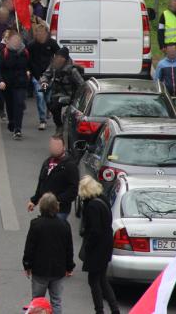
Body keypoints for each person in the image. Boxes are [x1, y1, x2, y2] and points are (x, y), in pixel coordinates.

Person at [22, 193, 74, 314]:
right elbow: (69, 248)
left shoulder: (36, 224)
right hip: (58, 270)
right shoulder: (64, 225)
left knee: (37, 301)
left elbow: (30, 247)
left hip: (40, 270)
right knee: (56, 300)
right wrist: (69, 266)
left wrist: (27, 264)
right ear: (56, 207)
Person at [79, 176, 120, 314]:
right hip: (106, 244)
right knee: (102, 279)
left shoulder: (92, 206)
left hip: (98, 247)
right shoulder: (103, 199)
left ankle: (99, 310)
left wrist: (88, 246)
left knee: (94, 280)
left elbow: (95, 230)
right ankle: (114, 309)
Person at [28, 134, 79, 221]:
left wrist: (56, 200)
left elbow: (73, 190)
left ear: (64, 147)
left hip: (60, 211)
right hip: (45, 209)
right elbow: (41, 183)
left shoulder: (70, 165)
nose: (54, 148)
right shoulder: (47, 162)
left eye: (57, 146)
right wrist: (34, 201)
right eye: (52, 145)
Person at [0, 30, 30, 140]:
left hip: (20, 83)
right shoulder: (4, 53)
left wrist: (28, 71)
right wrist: (0, 81)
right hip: (7, 84)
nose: (16, 42)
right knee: (10, 105)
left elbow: (29, 64)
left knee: (19, 104)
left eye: (17, 40)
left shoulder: (25, 52)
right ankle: (12, 121)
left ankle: (18, 129)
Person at [40, 47, 84, 131]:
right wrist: (44, 82)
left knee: (68, 112)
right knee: (52, 106)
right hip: (56, 93)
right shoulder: (54, 65)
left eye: (61, 57)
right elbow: (46, 74)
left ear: (65, 58)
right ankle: (59, 125)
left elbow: (81, 84)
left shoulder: (72, 70)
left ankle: (66, 126)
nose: (58, 59)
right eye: (57, 56)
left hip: (70, 95)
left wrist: (79, 97)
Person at [27, 26, 58, 131]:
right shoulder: (31, 45)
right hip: (37, 76)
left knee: (48, 98)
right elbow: (28, 60)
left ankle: (49, 108)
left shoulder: (51, 43)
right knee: (40, 96)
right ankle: (42, 120)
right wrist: (29, 71)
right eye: (37, 32)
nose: (39, 34)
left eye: (41, 32)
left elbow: (59, 55)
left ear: (46, 33)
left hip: (49, 76)